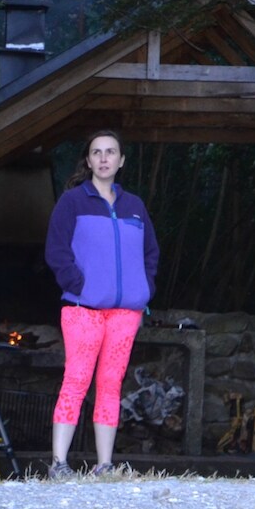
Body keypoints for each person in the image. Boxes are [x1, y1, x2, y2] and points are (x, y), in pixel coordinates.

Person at [44, 129, 159, 479]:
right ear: (89, 160)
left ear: (121, 161)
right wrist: (78, 284)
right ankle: (59, 463)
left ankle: (105, 465)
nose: (104, 158)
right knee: (77, 379)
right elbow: (56, 250)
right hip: (83, 309)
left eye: (111, 152)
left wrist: (145, 289)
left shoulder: (135, 206)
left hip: (125, 313)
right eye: (97, 152)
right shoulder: (72, 201)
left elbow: (151, 253)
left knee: (111, 383)